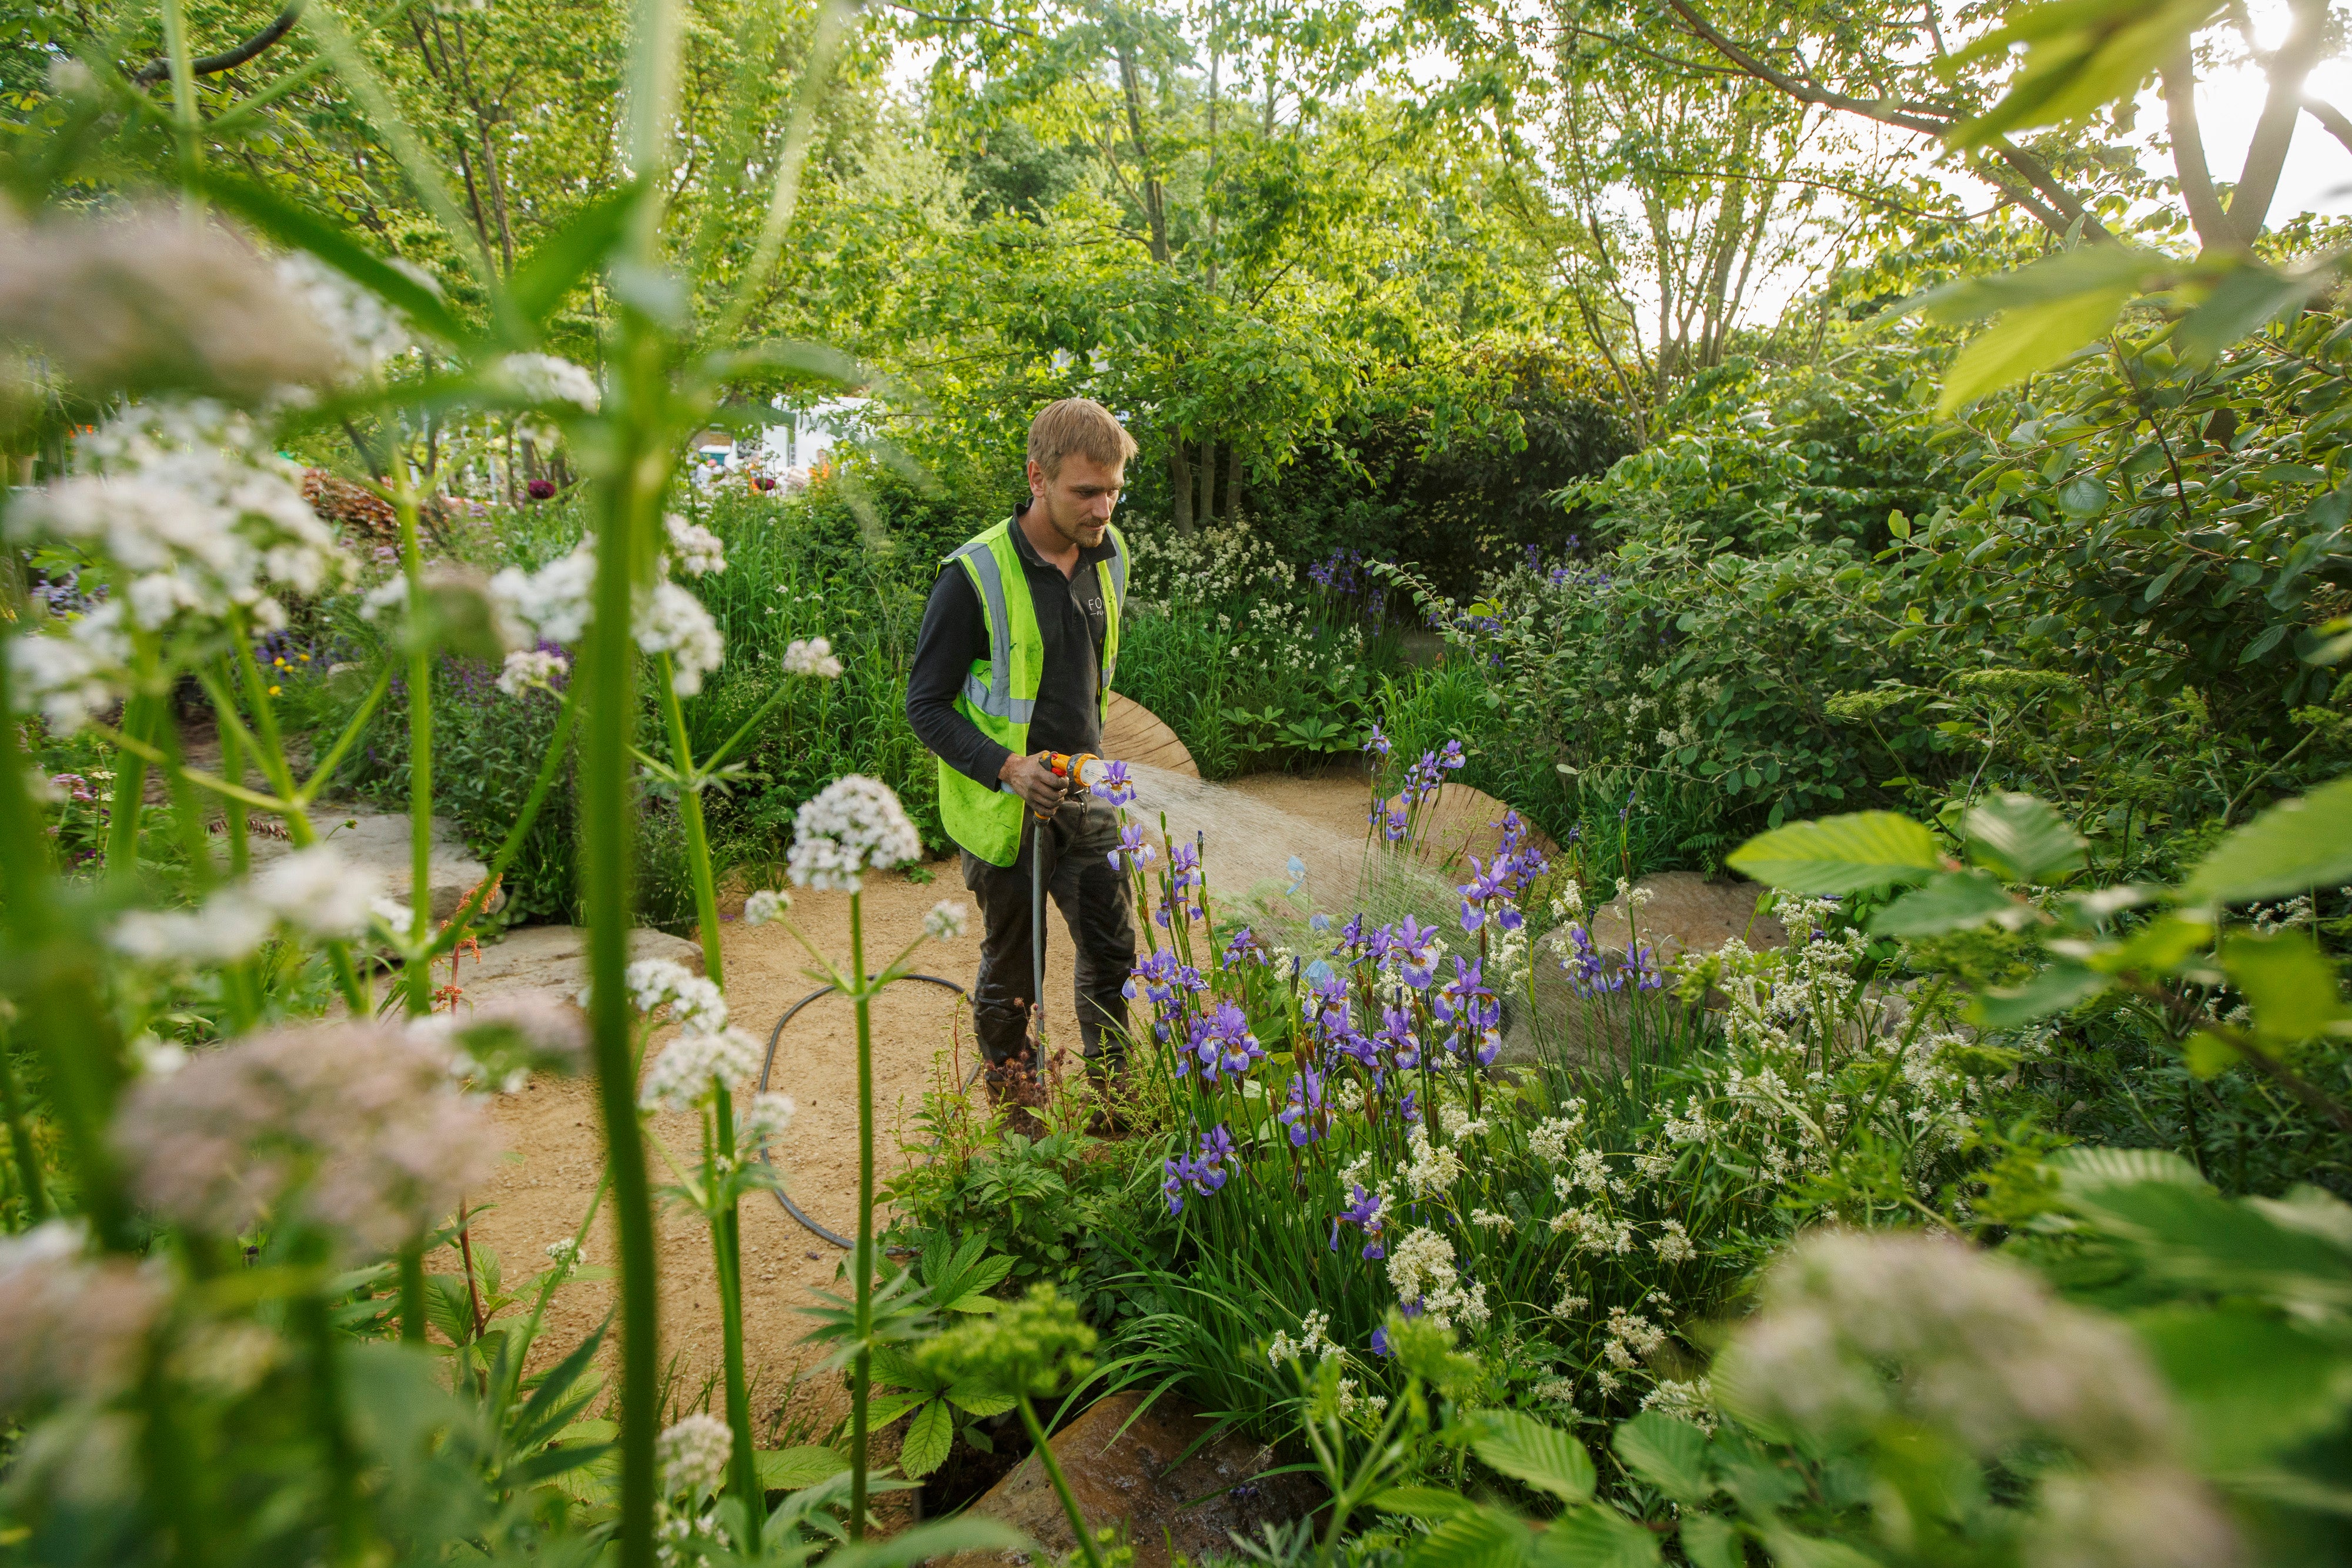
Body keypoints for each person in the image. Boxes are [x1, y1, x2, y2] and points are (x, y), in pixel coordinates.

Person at [905, 399, 1139, 1103]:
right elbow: (924, 706)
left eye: (1114, 490)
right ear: (1037, 478)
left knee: (1111, 949)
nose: (1104, 509)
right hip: (1002, 811)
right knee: (1013, 973)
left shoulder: (1110, 555)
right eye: (1086, 492)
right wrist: (1009, 768)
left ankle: (1114, 1093)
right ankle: (1017, 1107)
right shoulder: (972, 577)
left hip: (1085, 792)